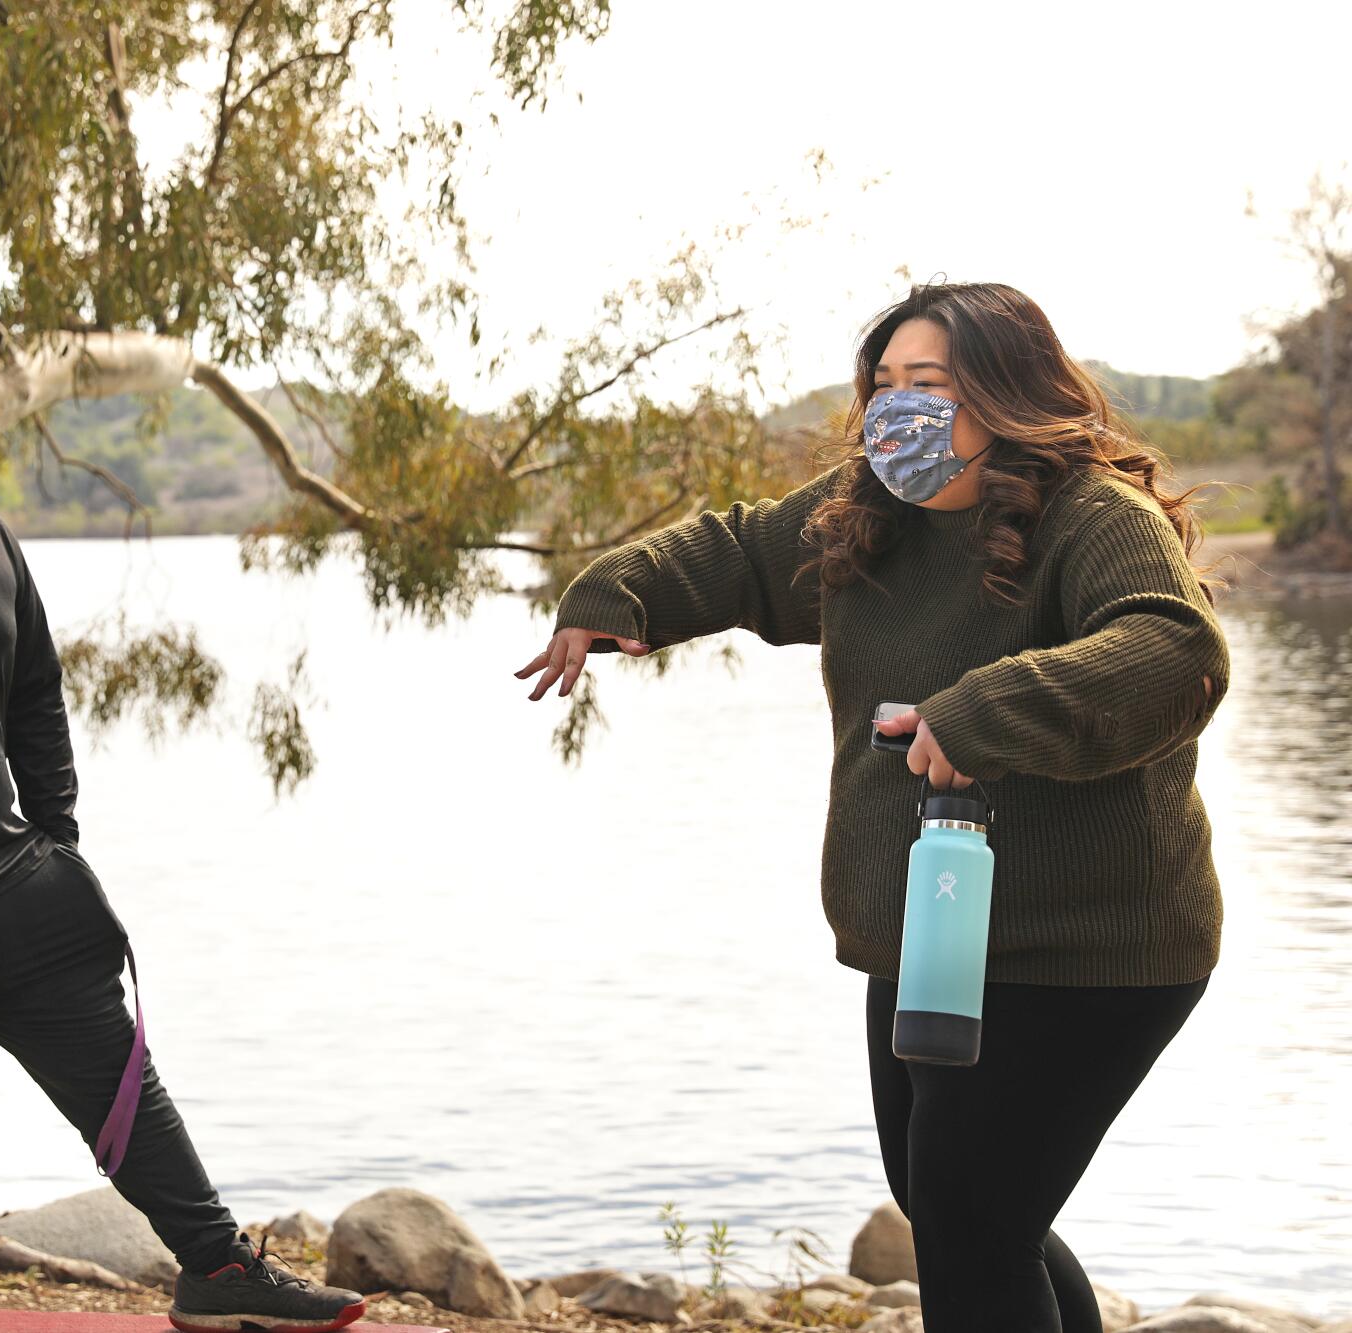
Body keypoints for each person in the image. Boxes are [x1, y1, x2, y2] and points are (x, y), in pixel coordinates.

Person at [519, 283, 1227, 1333]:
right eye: (883, 386)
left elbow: (1175, 650)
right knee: (964, 1209)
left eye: (928, 385)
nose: (896, 410)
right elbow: (734, 549)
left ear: (1004, 393)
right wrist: (611, 591)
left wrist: (983, 709)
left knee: (970, 1217)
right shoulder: (865, 517)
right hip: (932, 932)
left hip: (1088, 946)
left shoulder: (1091, 517)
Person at [0, 333, 367, 1333]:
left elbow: (35, 700)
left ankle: (217, 1274)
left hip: (19, 890)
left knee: (125, 1087)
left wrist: (57, 849)